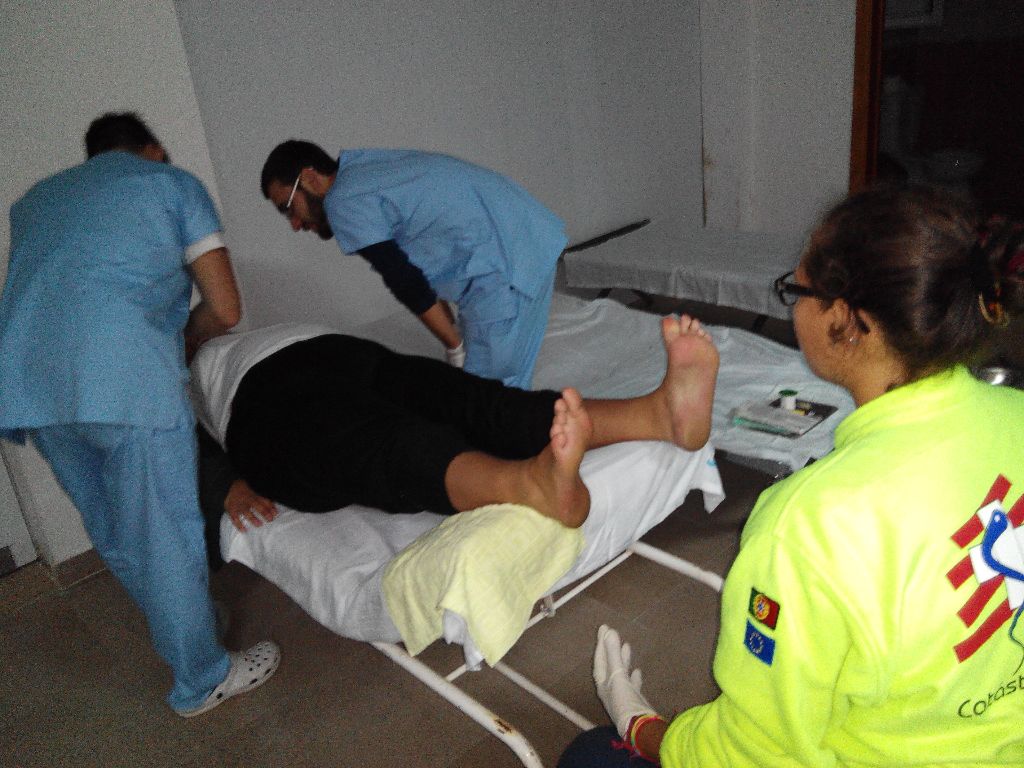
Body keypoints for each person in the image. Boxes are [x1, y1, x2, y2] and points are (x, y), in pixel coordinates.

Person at [560, 184, 1024, 767]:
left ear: (847, 320)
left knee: (588, 755)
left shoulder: (808, 524)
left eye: (796, 290)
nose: (792, 306)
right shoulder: (1016, 413)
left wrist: (639, 723)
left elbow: (749, 754)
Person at [0, 113, 279, 717]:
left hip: (31, 387)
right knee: (165, 535)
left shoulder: (34, 202)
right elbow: (225, 308)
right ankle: (202, 679)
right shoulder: (171, 184)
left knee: (115, 529)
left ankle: (190, 624)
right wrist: (184, 339)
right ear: (152, 150)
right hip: (123, 380)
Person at [189, 314, 719, 544]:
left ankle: (652, 417)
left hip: (316, 363)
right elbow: (174, 444)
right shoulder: (178, 375)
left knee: (455, 410)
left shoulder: (199, 353)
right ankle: (636, 425)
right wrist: (222, 484)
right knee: (414, 427)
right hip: (289, 384)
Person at [259, 142, 567, 388]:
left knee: (486, 405)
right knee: (503, 395)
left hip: (503, 268)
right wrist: (455, 339)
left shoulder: (342, 200)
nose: (295, 224)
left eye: (288, 208)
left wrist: (455, 347)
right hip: (529, 241)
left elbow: (404, 280)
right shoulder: (365, 170)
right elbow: (417, 267)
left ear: (310, 178)